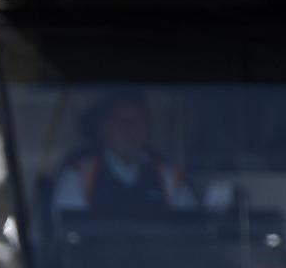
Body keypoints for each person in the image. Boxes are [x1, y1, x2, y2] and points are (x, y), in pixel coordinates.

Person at [51, 91, 195, 217]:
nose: (129, 129)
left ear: (147, 129)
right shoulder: (78, 177)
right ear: (104, 128)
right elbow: (66, 236)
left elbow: (191, 231)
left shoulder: (170, 178)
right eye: (120, 121)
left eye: (137, 121)